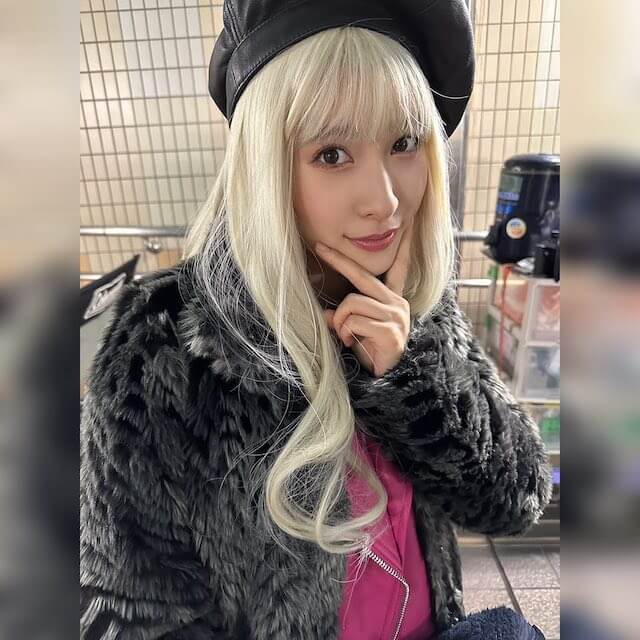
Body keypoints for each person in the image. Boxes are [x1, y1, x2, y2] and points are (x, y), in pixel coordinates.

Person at [79, 1, 553, 638]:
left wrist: (413, 380)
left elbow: (516, 498)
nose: (384, 199)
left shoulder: (415, 303)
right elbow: (129, 606)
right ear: (265, 167)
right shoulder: (167, 344)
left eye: (404, 143)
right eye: (332, 154)